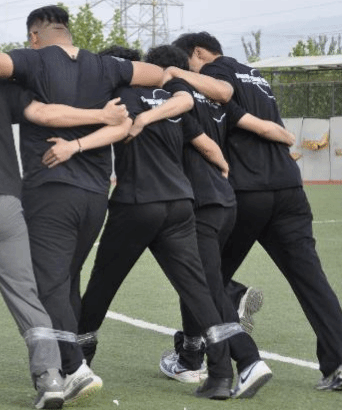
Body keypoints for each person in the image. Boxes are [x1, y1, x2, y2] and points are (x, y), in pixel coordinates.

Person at [0, 5, 165, 403]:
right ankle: (51, 378)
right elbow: (46, 112)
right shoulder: (16, 84)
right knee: (31, 295)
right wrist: (101, 114)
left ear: (34, 36)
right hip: (15, 206)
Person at [173, 31, 342, 391]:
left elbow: (223, 95)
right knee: (311, 279)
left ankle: (193, 355)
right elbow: (265, 125)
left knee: (205, 277)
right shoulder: (255, 75)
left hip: (247, 191)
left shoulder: (216, 71)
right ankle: (339, 363)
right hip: (289, 189)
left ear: (198, 53)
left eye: (187, 64)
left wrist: (174, 73)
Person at [76, 46, 247, 399]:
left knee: (102, 286)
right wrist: (224, 169)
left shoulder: (115, 97)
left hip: (137, 203)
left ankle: (77, 364)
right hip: (180, 204)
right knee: (197, 291)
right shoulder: (169, 98)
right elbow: (207, 146)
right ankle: (219, 375)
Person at [145, 44, 296, 397]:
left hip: (197, 203)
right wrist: (288, 137)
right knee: (199, 280)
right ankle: (192, 356)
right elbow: (260, 126)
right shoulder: (215, 101)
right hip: (226, 201)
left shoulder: (169, 99)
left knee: (204, 286)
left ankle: (246, 358)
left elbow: (199, 143)